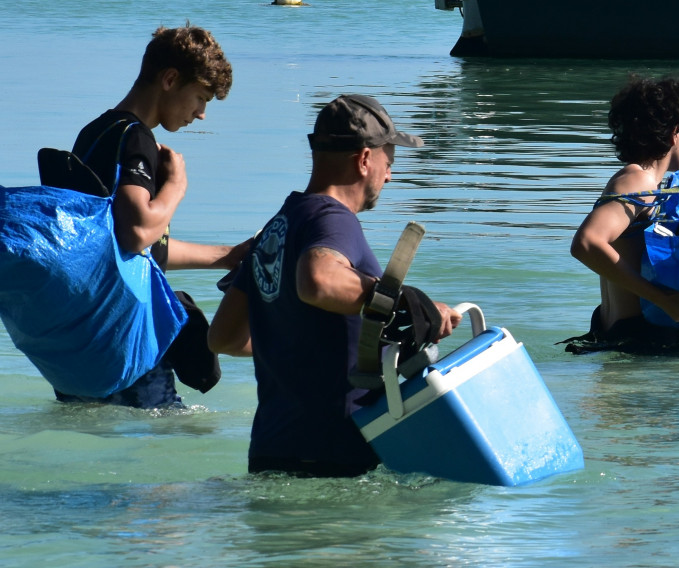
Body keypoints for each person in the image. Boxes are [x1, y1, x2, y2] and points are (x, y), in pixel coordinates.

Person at [207, 94, 461, 478]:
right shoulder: (332, 218)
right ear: (364, 159)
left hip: (271, 453)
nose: (389, 176)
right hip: (336, 456)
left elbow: (222, 337)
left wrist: (298, 342)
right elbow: (320, 281)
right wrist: (408, 304)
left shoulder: (277, 227)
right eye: (388, 162)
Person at [45, 25, 247, 408]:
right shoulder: (137, 139)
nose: (201, 114)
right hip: (128, 336)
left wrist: (228, 255)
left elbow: (124, 247)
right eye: (200, 98)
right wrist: (176, 185)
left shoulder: (95, 132)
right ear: (170, 79)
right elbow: (137, 231)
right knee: (174, 438)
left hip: (85, 337)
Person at [563, 76, 679, 356]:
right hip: (642, 338)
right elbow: (587, 243)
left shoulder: (645, 185)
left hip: (618, 334)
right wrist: (665, 302)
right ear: (674, 133)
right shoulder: (638, 180)